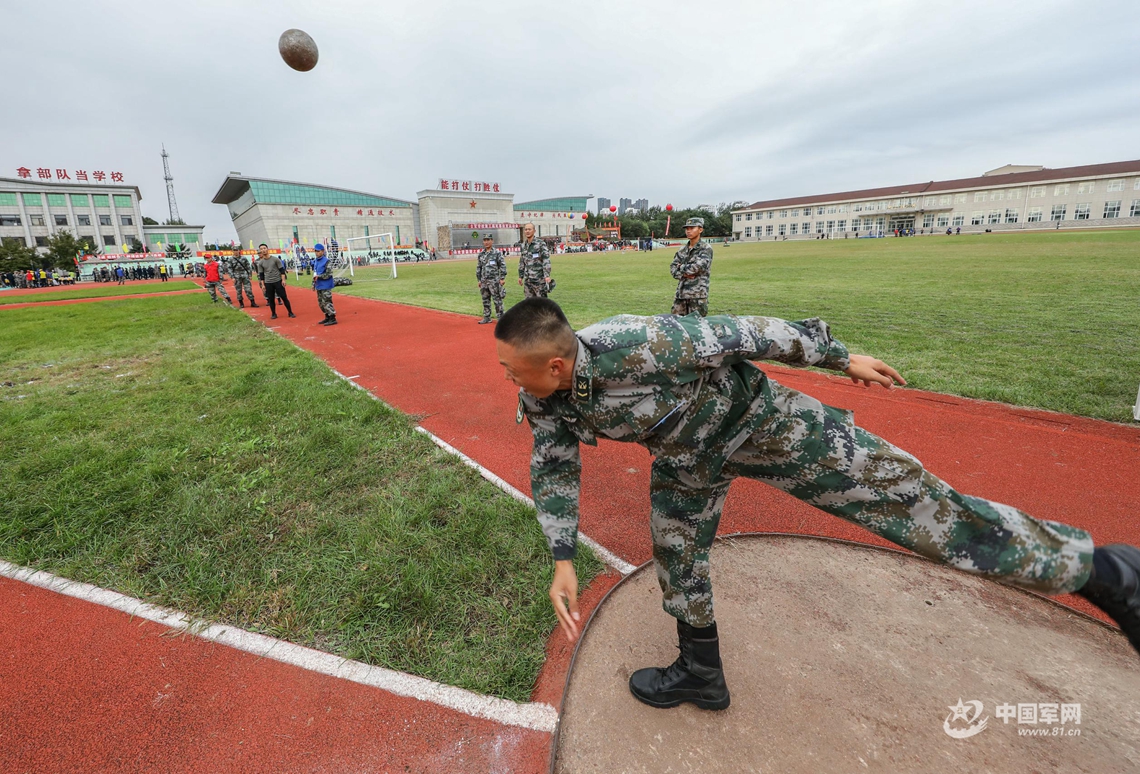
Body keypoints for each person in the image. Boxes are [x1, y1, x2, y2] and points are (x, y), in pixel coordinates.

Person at [494, 298, 1140, 712]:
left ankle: (1104, 572)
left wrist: (841, 356)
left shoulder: (645, 343)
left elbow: (751, 331)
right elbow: (552, 464)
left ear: (554, 364)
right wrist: (561, 556)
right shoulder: (543, 395)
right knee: (677, 553)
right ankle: (700, 673)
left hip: (775, 429)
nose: (506, 379)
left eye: (511, 370)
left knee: (923, 510)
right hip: (691, 458)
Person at [669, 217, 713, 317]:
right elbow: (673, 269)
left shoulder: (705, 249)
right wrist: (686, 273)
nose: (688, 231)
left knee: (697, 328)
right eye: (687, 229)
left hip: (697, 296)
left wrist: (681, 267)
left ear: (700, 229)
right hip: (681, 295)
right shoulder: (682, 250)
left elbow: (697, 267)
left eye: (692, 228)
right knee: (676, 326)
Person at [255, 243, 295, 320]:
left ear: (267, 249)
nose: (263, 250)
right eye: (261, 249)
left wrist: (283, 280)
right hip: (268, 282)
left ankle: (290, 312)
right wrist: (263, 285)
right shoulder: (260, 263)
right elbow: (261, 275)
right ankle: (273, 313)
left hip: (278, 281)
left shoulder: (275, 259)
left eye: (264, 248)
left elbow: (282, 270)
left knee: (284, 297)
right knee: (271, 299)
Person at [475, 235, 508, 324]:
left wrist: (502, 278)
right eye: (484, 240)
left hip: (494, 281)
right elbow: (479, 267)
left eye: (488, 240)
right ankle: (487, 317)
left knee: (497, 299)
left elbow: (502, 266)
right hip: (484, 281)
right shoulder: (481, 254)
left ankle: (501, 318)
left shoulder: (497, 253)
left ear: (492, 241)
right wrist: (479, 279)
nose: (486, 242)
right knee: (485, 299)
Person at [518, 223, 552, 298]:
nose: (527, 231)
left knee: (542, 304)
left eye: (529, 229)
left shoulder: (540, 244)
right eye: (526, 229)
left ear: (534, 231)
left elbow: (546, 259)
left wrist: (547, 275)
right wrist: (520, 276)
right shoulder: (523, 245)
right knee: (529, 305)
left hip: (539, 280)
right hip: (528, 280)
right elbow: (522, 261)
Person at [311, 243, 336, 325]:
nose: (316, 253)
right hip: (319, 285)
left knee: (327, 301)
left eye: (318, 251)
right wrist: (313, 284)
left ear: (322, 251)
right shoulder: (316, 261)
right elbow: (315, 273)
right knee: (321, 303)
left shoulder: (326, 261)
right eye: (315, 251)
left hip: (326, 285)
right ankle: (327, 316)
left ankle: (332, 317)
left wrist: (320, 276)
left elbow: (329, 274)